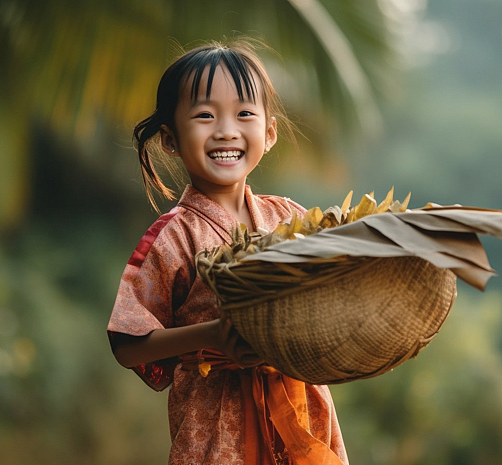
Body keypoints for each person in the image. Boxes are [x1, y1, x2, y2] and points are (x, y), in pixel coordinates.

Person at [107, 39, 349, 465]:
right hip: (217, 430)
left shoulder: (293, 221)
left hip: (302, 419)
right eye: (204, 115)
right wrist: (213, 336)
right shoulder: (173, 236)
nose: (225, 130)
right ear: (170, 139)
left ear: (269, 132)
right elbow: (127, 343)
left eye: (244, 114)